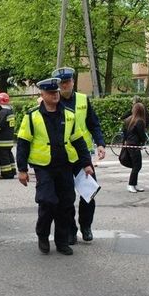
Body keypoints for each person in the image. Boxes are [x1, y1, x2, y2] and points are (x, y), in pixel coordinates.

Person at [17, 78, 93, 256]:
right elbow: (23, 143)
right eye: (51, 93)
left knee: (66, 204)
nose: (55, 95)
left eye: (56, 92)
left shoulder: (69, 115)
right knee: (47, 201)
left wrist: (86, 163)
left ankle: (61, 241)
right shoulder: (32, 116)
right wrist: (22, 170)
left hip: (65, 165)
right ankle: (42, 235)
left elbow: (78, 141)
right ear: (42, 95)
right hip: (43, 167)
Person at [51, 67, 104, 244]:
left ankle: (86, 226)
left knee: (89, 193)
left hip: (82, 156)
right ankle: (70, 230)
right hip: (63, 157)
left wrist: (101, 144)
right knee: (66, 197)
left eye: (68, 81)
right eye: (62, 83)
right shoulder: (53, 102)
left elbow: (93, 124)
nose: (65, 85)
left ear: (73, 82)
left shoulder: (82, 99)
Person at [122, 103, 147, 193]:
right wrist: (143, 142)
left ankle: (134, 184)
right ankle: (131, 184)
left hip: (129, 144)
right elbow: (142, 134)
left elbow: (124, 133)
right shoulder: (139, 121)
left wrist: (125, 141)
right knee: (137, 165)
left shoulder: (128, 120)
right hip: (135, 145)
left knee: (136, 165)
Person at [0, 92, 16, 179]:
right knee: (9, 155)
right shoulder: (10, 111)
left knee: (3, 157)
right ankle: (12, 171)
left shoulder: (3, 112)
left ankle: (6, 174)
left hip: (2, 140)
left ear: (0, 101)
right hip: (9, 138)